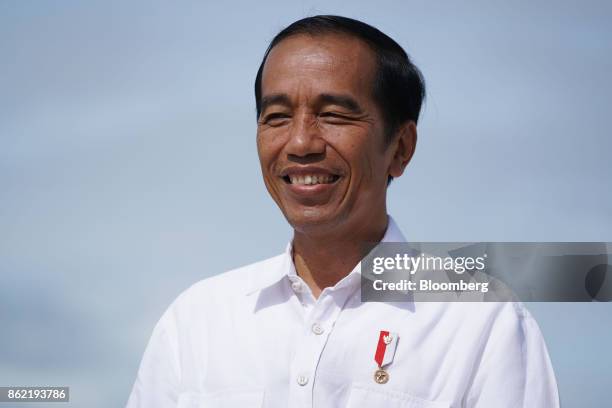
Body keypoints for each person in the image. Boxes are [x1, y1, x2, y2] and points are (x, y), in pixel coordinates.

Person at [126, 15, 559, 408]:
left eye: (333, 114)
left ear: (401, 148)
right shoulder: (197, 321)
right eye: (276, 116)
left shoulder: (481, 324)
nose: (300, 143)